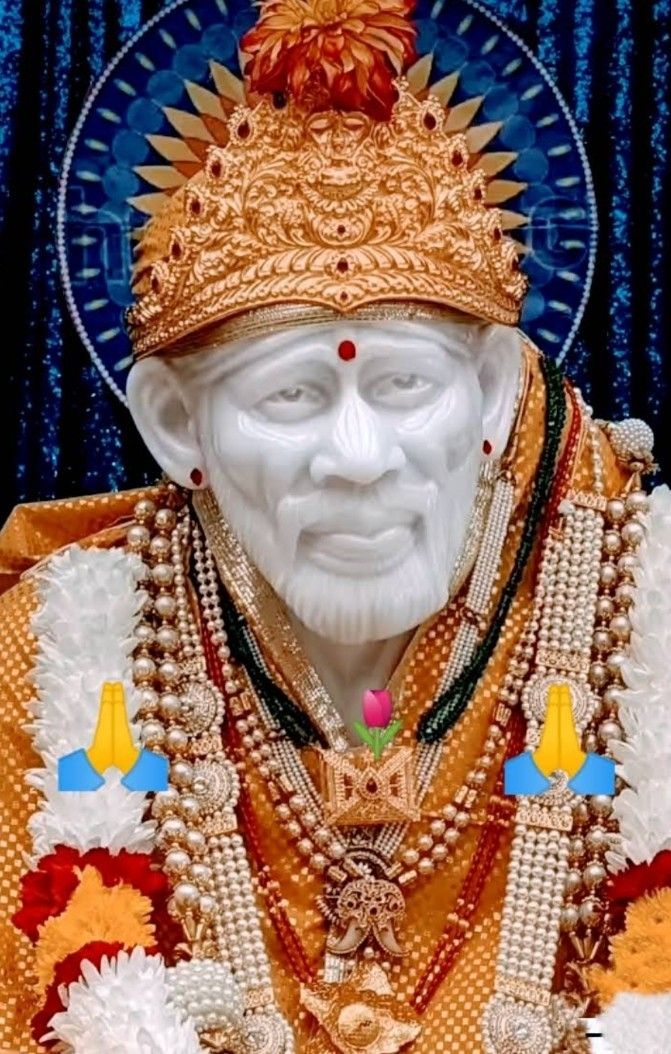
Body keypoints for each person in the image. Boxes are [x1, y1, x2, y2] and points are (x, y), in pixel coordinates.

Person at [1, 2, 669, 1052]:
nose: (356, 457)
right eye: (290, 397)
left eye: (405, 384)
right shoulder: (45, 658)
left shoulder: (643, 630)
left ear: (494, 397)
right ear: (178, 423)